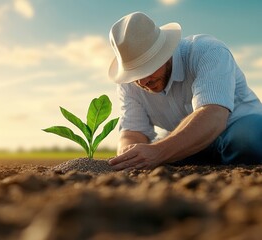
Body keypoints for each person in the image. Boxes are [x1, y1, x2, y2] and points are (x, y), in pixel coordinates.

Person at [107, 12, 262, 171]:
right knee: (162, 161)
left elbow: (214, 114)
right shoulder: (129, 85)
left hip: (238, 126)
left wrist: (158, 152)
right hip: (185, 144)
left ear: (165, 53)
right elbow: (133, 131)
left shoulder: (208, 51)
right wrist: (129, 156)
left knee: (248, 140)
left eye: (147, 69)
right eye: (135, 74)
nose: (142, 82)